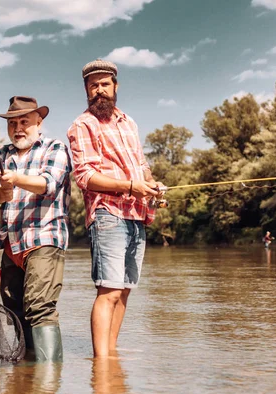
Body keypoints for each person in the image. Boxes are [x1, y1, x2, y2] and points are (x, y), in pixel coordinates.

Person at [67, 59, 163, 358]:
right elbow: (85, 177)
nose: (100, 91)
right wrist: (132, 186)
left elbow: (141, 165)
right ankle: (102, 363)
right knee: (108, 290)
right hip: (108, 214)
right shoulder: (83, 125)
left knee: (124, 291)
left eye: (105, 84)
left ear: (115, 86)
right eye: (93, 86)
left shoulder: (129, 122)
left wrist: (152, 185)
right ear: (86, 90)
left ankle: (110, 356)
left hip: (137, 215)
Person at [0, 96, 71, 362]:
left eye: (25, 121)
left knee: (40, 306)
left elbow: (48, 185)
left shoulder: (55, 147)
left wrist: (16, 179)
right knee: (13, 307)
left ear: (39, 121)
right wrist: (3, 189)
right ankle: (27, 375)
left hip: (44, 238)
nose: (18, 128)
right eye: (13, 123)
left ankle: (47, 381)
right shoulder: (3, 154)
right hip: (11, 242)